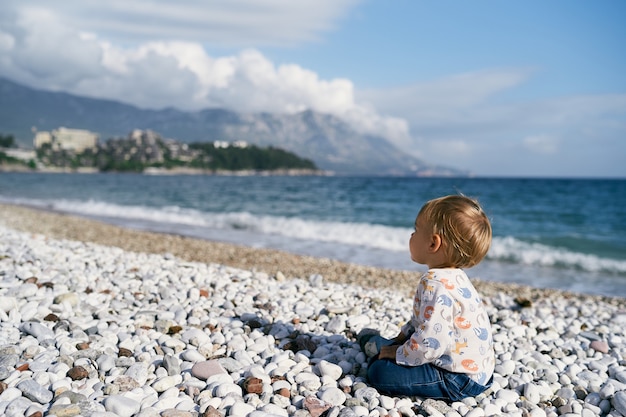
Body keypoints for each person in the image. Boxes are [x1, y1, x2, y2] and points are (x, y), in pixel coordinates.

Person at [359, 195, 495, 401]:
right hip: (480, 373)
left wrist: (396, 353)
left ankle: (379, 348)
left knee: (378, 371)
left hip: (457, 380)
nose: (411, 235)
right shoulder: (456, 277)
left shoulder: (434, 282)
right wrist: (401, 338)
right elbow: (424, 322)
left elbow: (430, 344)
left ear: (433, 243)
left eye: (416, 230)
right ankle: (381, 345)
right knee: (393, 350)